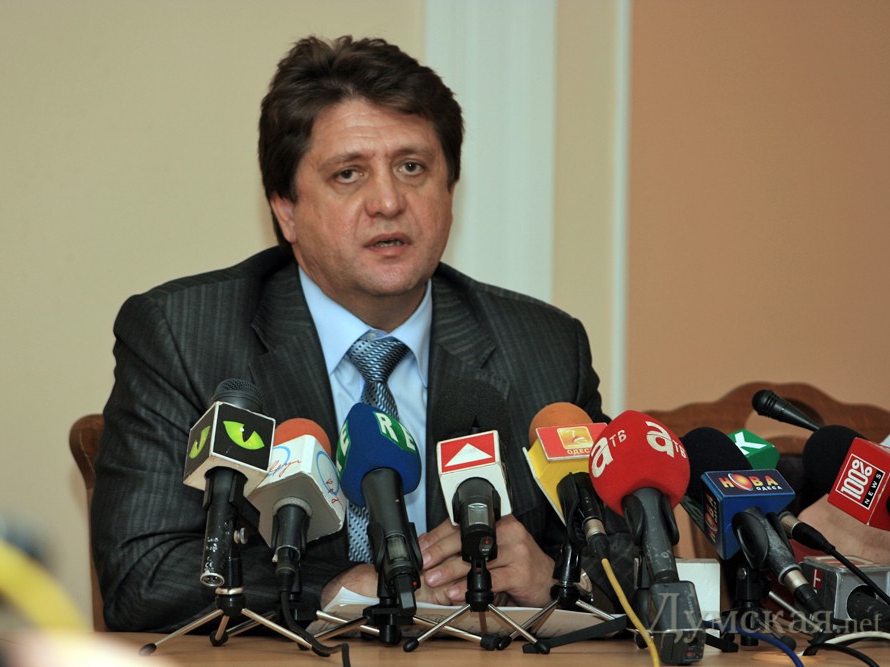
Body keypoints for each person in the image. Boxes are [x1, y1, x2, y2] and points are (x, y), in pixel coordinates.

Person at [91, 35, 609, 633]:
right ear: (286, 209)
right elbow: (144, 576)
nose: (388, 201)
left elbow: (634, 564)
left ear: (450, 190)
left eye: (412, 167)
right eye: (348, 174)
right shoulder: (184, 337)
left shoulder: (544, 346)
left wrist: (557, 577)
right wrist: (341, 590)